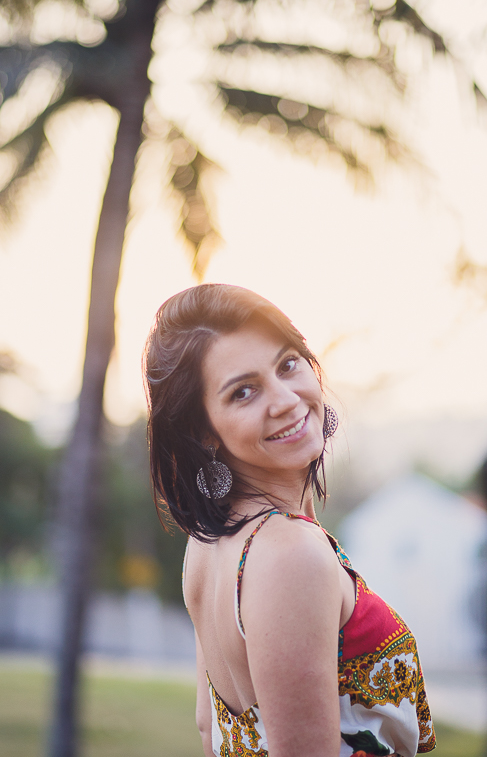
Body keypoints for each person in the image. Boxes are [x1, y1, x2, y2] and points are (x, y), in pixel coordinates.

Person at [143, 283, 436, 757]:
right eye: (244, 392)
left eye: (287, 364)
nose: (285, 400)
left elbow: (207, 727)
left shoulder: (209, 544)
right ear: (204, 431)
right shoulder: (288, 553)